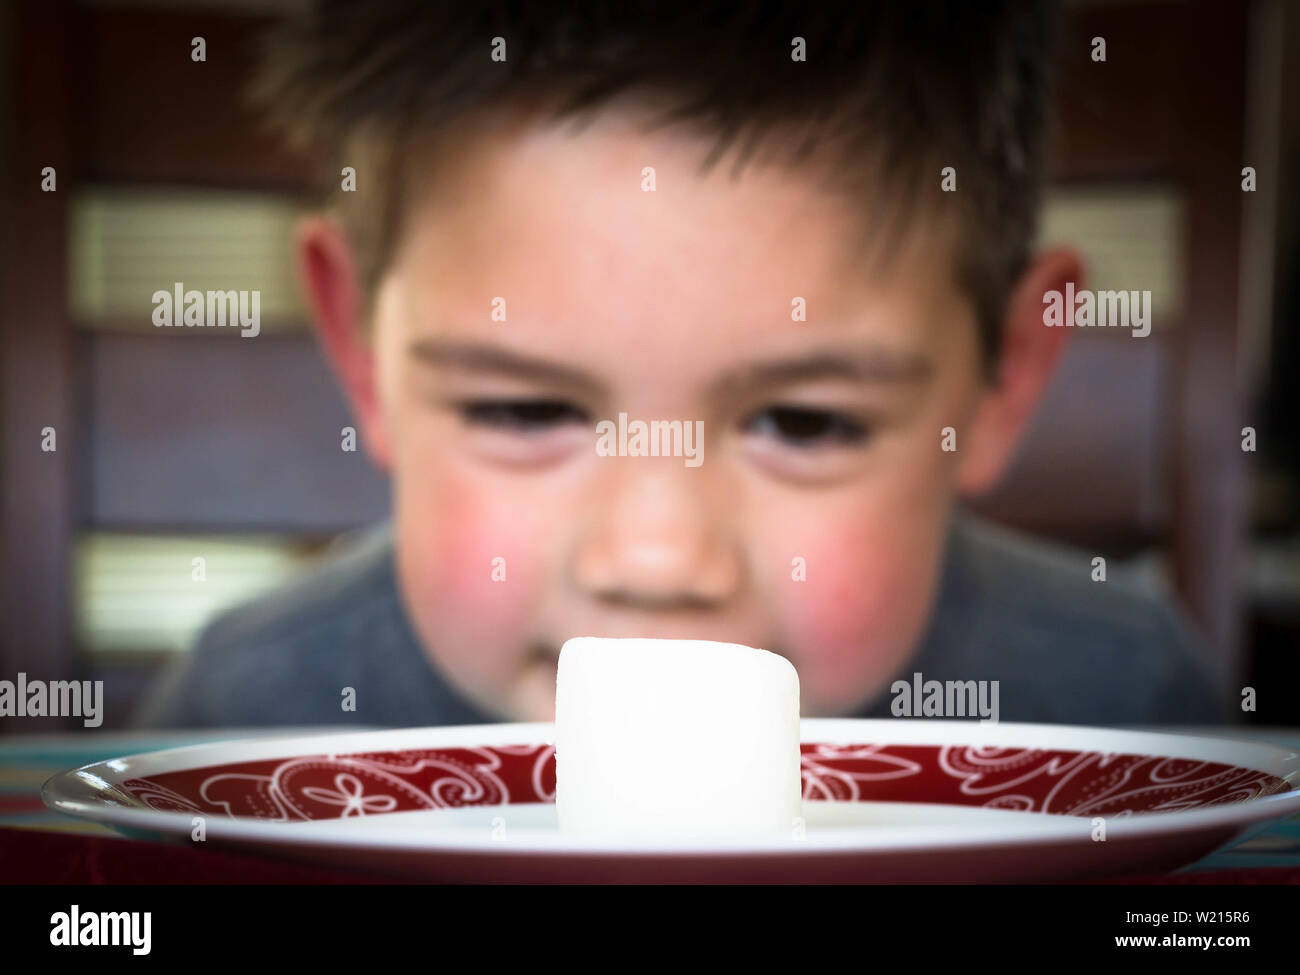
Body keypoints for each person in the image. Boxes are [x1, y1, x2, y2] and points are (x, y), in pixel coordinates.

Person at [132, 0, 1228, 730]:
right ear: (361, 355)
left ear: (1002, 375)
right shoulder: (245, 729)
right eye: (522, 407)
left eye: (806, 424)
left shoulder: (1121, 719)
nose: (655, 561)